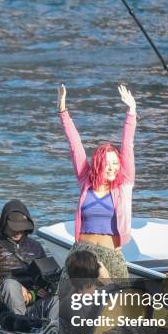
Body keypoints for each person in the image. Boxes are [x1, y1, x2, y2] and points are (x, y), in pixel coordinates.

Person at [57, 83, 136, 291]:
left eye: (116, 164)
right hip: (82, 254)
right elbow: (75, 145)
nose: (112, 168)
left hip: (111, 254)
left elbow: (127, 146)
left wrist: (131, 112)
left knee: (120, 304)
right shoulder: (86, 181)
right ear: (98, 164)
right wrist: (63, 110)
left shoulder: (123, 185)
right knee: (67, 302)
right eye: (108, 164)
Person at [0, 200, 47, 331]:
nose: (18, 232)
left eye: (21, 228)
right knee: (10, 285)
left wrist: (42, 289)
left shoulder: (36, 247)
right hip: (7, 299)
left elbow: (45, 275)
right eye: (13, 228)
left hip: (34, 298)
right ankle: (22, 326)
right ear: (4, 225)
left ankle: (60, 331)